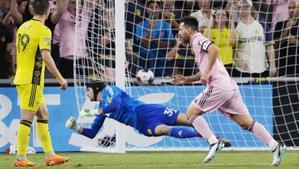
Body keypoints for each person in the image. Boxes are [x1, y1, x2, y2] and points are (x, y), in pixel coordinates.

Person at [171, 16, 286, 166]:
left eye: (180, 29)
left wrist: (206, 74)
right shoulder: (196, 45)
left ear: (188, 29)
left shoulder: (197, 39)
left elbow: (214, 49)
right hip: (228, 86)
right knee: (246, 123)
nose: (179, 33)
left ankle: (213, 142)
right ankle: (275, 146)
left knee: (191, 113)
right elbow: (206, 68)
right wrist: (187, 79)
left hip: (218, 86)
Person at [65, 81, 231, 147]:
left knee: (190, 119)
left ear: (96, 89)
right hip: (142, 124)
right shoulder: (102, 111)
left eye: (88, 90)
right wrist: (76, 127)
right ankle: (213, 140)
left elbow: (115, 105)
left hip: (148, 110)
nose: (86, 94)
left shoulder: (110, 90)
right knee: (164, 130)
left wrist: (95, 110)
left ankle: (216, 134)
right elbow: (92, 133)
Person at [13, 0, 70, 167]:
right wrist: (60, 78)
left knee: (43, 114)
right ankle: (20, 158)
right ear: (47, 12)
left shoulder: (23, 27)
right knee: (27, 119)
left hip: (23, 76)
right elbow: (46, 57)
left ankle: (50, 155)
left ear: (32, 10)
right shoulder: (44, 30)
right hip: (32, 80)